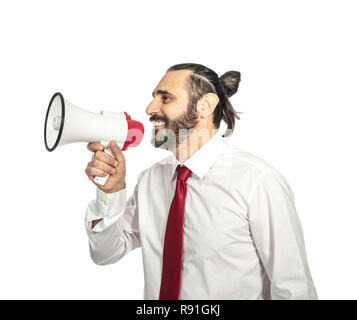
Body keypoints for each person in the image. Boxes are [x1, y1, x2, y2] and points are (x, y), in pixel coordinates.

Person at [84, 63, 318, 300]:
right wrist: (111, 194)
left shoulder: (258, 182)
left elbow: (294, 290)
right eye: (154, 97)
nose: (149, 108)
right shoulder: (150, 181)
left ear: (204, 106)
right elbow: (105, 253)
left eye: (165, 98)